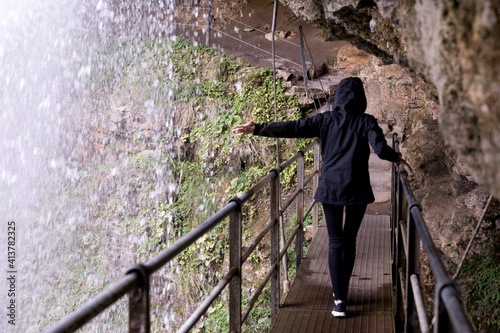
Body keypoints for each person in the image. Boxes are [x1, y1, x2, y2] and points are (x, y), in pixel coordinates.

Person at [232, 77, 412, 317]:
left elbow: (293, 128)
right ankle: (344, 292)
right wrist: (397, 159)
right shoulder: (366, 121)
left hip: (331, 189)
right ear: (361, 98)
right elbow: (380, 149)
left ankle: (339, 301)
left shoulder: (325, 120)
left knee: (336, 242)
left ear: (338, 98)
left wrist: (258, 128)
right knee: (350, 241)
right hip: (357, 189)